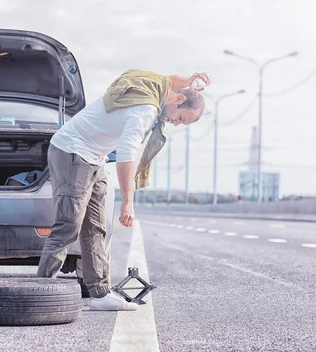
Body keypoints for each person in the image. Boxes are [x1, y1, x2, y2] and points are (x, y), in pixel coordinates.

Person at [37, 69, 209, 310]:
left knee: (95, 228)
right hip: (72, 150)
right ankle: (40, 293)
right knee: (69, 225)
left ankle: (99, 294)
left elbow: (170, 80)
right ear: (179, 100)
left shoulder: (156, 88)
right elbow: (127, 155)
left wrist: (189, 81)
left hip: (94, 157)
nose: (176, 124)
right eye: (181, 118)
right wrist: (128, 202)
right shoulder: (145, 110)